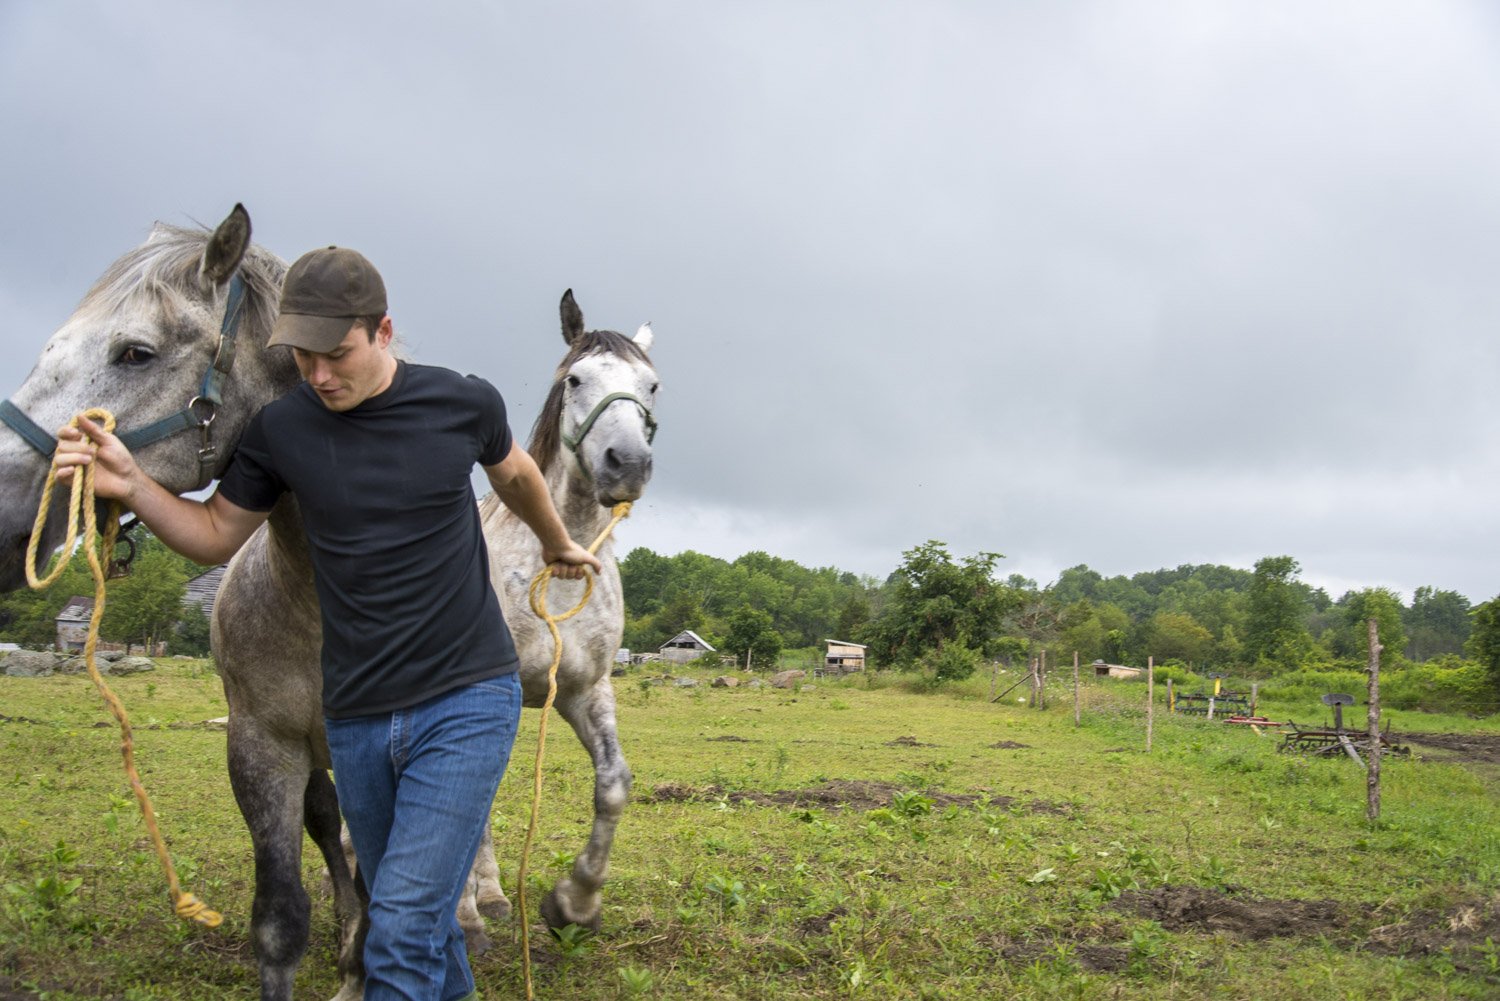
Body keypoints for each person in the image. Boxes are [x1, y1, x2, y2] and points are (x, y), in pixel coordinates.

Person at [54, 245, 600, 1001]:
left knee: (399, 929)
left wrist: (559, 541)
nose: (319, 374)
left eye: (336, 354)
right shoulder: (282, 431)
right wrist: (131, 481)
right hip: (356, 720)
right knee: (428, 929)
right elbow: (214, 531)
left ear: (382, 330)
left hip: (465, 700)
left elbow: (514, 472)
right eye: (302, 356)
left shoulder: (462, 402)